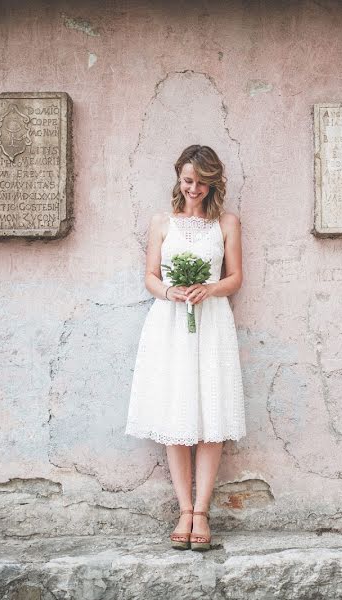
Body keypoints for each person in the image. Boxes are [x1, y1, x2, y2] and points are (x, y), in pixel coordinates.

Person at [125, 144, 246, 551]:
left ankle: (202, 511)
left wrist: (209, 288)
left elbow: (235, 278)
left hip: (211, 322)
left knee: (211, 415)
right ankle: (183, 510)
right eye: (187, 181)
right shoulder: (162, 222)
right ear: (179, 178)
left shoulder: (227, 222)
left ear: (213, 183)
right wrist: (171, 291)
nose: (193, 189)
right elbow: (150, 276)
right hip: (170, 323)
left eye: (201, 183)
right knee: (175, 413)